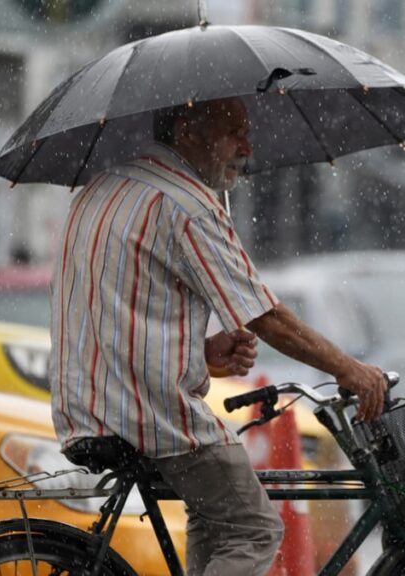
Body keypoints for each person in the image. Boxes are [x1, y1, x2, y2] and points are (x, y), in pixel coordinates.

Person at [48, 96, 387, 576]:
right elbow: (265, 316)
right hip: (148, 414)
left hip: (88, 407)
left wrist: (203, 354)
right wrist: (349, 369)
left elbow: (116, 313)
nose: (247, 147)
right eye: (234, 132)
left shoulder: (102, 188)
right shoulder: (186, 204)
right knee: (254, 530)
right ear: (187, 131)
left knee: (217, 521)